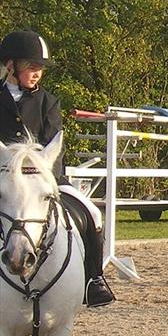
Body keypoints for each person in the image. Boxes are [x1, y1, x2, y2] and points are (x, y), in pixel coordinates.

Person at [0, 29, 115, 307]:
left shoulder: (48, 102)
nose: (37, 72)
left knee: (92, 213)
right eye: (31, 66)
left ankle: (94, 280)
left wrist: (47, 179)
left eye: (40, 68)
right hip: (4, 179)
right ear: (10, 66)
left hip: (44, 178)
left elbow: (53, 145)